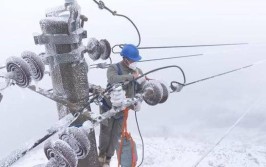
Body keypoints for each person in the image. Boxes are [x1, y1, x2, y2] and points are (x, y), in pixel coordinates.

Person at [98, 44, 146, 167]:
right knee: (106, 132)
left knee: (116, 134)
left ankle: (108, 159)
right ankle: (101, 156)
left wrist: (138, 101)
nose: (134, 62)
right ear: (125, 59)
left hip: (122, 109)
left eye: (136, 60)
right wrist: (131, 77)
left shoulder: (138, 72)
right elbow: (113, 79)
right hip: (108, 107)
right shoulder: (114, 68)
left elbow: (141, 88)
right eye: (132, 60)